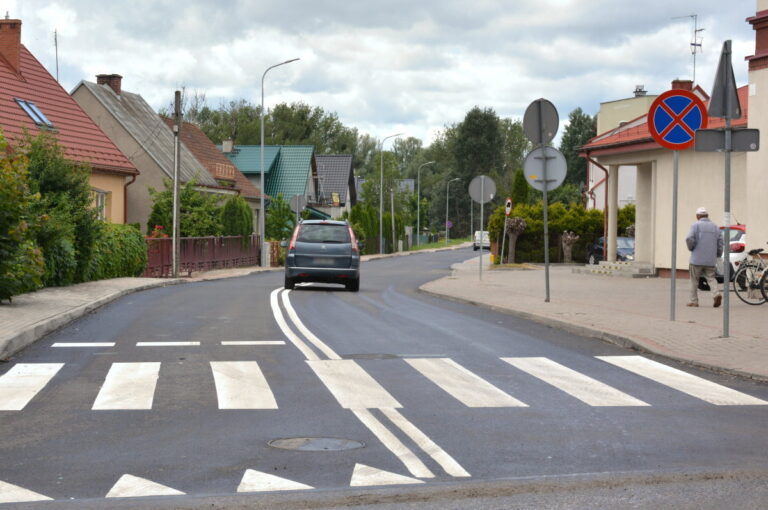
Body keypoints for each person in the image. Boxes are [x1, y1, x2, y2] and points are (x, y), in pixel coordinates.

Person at [685, 207, 723, 307]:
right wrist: (718, 254)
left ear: (697, 216)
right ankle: (716, 294)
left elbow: (689, 238)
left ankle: (694, 301)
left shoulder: (695, 225)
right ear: (707, 216)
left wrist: (691, 248)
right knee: (711, 278)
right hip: (710, 259)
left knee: (694, 280)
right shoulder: (715, 227)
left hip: (696, 259)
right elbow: (720, 243)